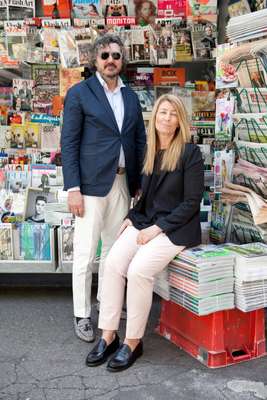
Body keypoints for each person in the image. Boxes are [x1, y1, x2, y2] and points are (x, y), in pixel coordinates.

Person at [85, 94, 204, 372]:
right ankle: (108, 335)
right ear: (155, 117)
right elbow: (146, 197)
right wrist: (130, 217)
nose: (167, 118)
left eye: (173, 114)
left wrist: (155, 229)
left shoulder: (190, 153)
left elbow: (191, 202)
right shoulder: (151, 151)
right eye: (163, 112)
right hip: (146, 221)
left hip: (175, 228)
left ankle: (133, 341)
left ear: (180, 121)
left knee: (138, 270)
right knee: (114, 262)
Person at [61, 34, 146, 343]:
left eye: (116, 55)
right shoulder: (80, 94)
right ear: (95, 61)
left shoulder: (131, 96)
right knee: (85, 254)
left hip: (123, 182)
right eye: (105, 56)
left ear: (122, 61)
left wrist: (138, 182)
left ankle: (107, 305)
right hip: (90, 187)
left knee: (114, 253)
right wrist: (73, 188)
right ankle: (82, 313)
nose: (111, 60)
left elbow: (138, 140)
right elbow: (68, 143)